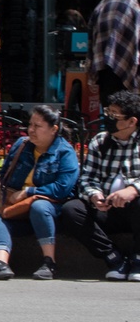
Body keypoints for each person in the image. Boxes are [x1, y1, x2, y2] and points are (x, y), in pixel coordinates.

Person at [0, 105, 80, 281]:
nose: (31, 130)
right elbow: (5, 175)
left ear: (53, 129)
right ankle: (1, 264)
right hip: (21, 209)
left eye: (37, 126)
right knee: (2, 219)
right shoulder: (21, 146)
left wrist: (29, 192)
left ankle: (49, 262)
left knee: (39, 206)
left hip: (52, 212)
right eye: (30, 124)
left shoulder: (64, 152)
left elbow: (63, 188)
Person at [59, 90, 140, 280]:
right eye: (108, 112)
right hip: (106, 209)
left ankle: (138, 259)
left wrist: (133, 190)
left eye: (114, 115)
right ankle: (114, 258)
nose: (108, 118)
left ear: (131, 121)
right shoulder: (100, 141)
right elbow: (87, 178)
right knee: (72, 210)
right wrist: (95, 195)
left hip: (134, 209)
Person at [86, 0, 140, 105]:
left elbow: (94, 19)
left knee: (113, 107)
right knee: (119, 107)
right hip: (116, 60)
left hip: (106, 58)